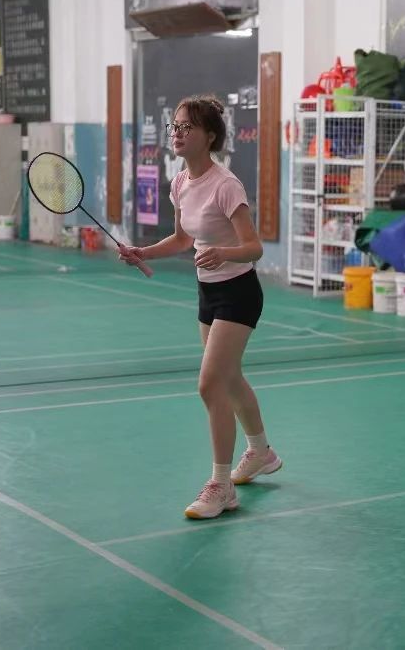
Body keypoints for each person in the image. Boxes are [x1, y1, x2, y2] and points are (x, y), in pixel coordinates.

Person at [118, 95, 282, 519]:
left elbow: (254, 248)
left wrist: (224, 253)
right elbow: (182, 239)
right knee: (229, 379)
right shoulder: (180, 183)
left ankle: (221, 485)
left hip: (239, 292)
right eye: (174, 126)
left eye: (186, 127)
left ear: (209, 136)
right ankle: (261, 452)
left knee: (210, 385)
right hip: (207, 293)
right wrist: (143, 252)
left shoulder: (226, 185)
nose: (177, 133)